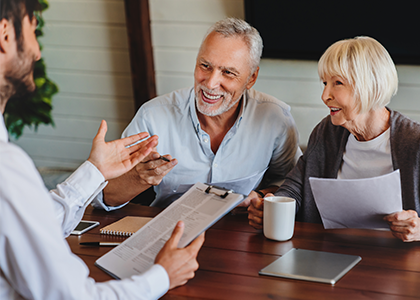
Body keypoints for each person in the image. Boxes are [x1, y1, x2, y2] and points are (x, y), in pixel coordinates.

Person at [0, 1, 204, 299]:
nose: (37, 51)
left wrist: (94, 171)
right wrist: (162, 275)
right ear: (5, 35)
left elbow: (29, 230)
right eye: (33, 29)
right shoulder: (7, 167)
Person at [93, 18, 302, 210]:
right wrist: (138, 178)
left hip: (243, 235)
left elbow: (291, 185)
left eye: (228, 72)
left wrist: (260, 197)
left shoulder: (276, 119)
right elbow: (103, 197)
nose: (210, 83)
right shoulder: (153, 116)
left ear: (251, 78)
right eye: (205, 66)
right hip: (171, 233)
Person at [248, 36, 420, 242]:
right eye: (324, 83)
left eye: (337, 83)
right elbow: (297, 185)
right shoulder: (326, 132)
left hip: (397, 261)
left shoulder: (414, 143)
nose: (324, 95)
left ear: (370, 85)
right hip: (329, 254)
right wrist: (272, 205)